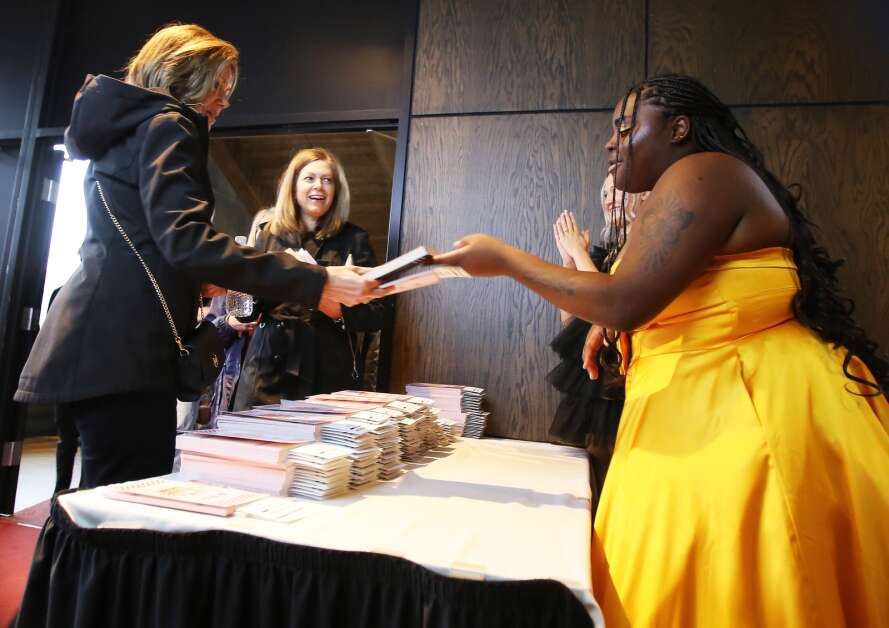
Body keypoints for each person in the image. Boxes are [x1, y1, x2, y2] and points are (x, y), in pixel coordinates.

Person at [436, 74, 889, 627]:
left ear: (679, 129)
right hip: (704, 413)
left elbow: (627, 299)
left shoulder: (704, 171)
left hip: (747, 419)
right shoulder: (693, 181)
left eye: (626, 126)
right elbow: (658, 298)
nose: (611, 141)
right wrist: (618, 328)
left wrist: (504, 259)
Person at [14, 24, 382, 489]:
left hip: (102, 346)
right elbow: (185, 240)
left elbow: (149, 240)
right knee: (120, 518)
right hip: (124, 354)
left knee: (96, 515)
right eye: (219, 89)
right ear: (184, 76)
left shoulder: (130, 127)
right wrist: (318, 281)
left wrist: (203, 281)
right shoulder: (170, 122)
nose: (223, 104)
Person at [233, 148, 390, 409]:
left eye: (327, 180)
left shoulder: (354, 239)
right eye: (310, 178)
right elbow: (246, 311)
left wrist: (335, 308)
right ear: (293, 185)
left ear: (337, 190)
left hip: (329, 370)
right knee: (258, 445)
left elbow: (380, 312)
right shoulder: (268, 235)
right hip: (268, 369)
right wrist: (238, 295)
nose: (319, 186)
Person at [547, 176, 647, 498]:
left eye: (616, 189)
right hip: (596, 377)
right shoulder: (608, 251)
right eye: (603, 191)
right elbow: (571, 321)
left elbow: (610, 304)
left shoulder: (645, 249)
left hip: (627, 374)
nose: (607, 198)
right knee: (594, 466)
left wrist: (579, 252)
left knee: (625, 468)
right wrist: (570, 261)